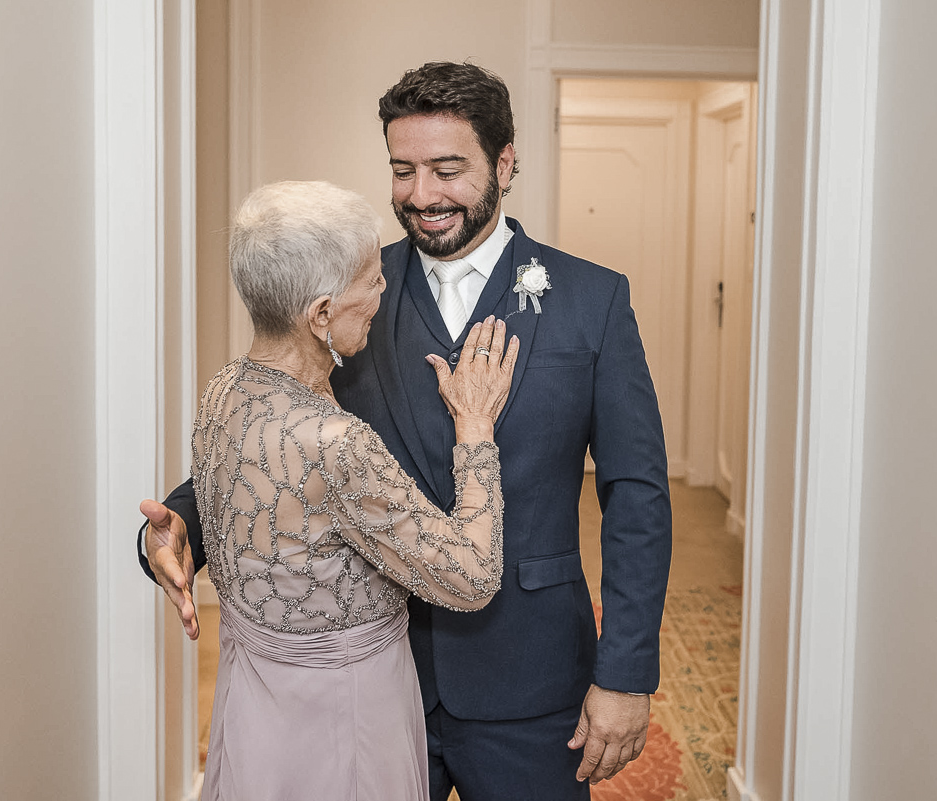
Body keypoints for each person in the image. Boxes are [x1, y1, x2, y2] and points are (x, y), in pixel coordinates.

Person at [140, 62, 672, 800]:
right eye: (403, 170)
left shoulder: (594, 300)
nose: (421, 196)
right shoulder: (350, 286)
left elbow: (637, 497)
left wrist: (626, 673)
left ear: (506, 161)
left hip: (532, 679)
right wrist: (184, 526)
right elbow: (284, 436)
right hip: (380, 686)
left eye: (447, 170)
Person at [158, 179, 520, 801]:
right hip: (344, 719)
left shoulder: (223, 392)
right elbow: (471, 574)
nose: (385, 290)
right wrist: (476, 431)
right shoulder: (334, 441)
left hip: (255, 707)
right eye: (372, 279)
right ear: (321, 313)